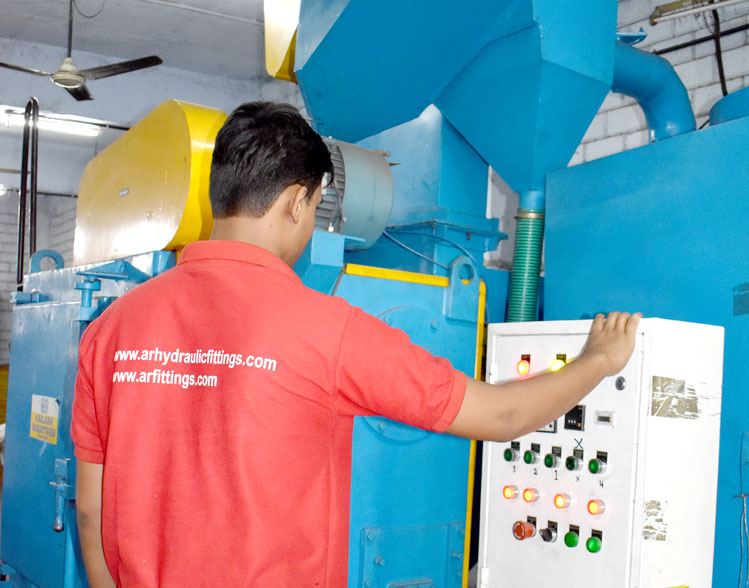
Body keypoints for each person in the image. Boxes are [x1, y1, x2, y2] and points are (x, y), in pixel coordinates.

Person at [72, 101, 640, 588]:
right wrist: (599, 360)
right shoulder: (328, 331)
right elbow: (501, 414)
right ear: (298, 202)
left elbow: (93, 512)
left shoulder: (112, 328)